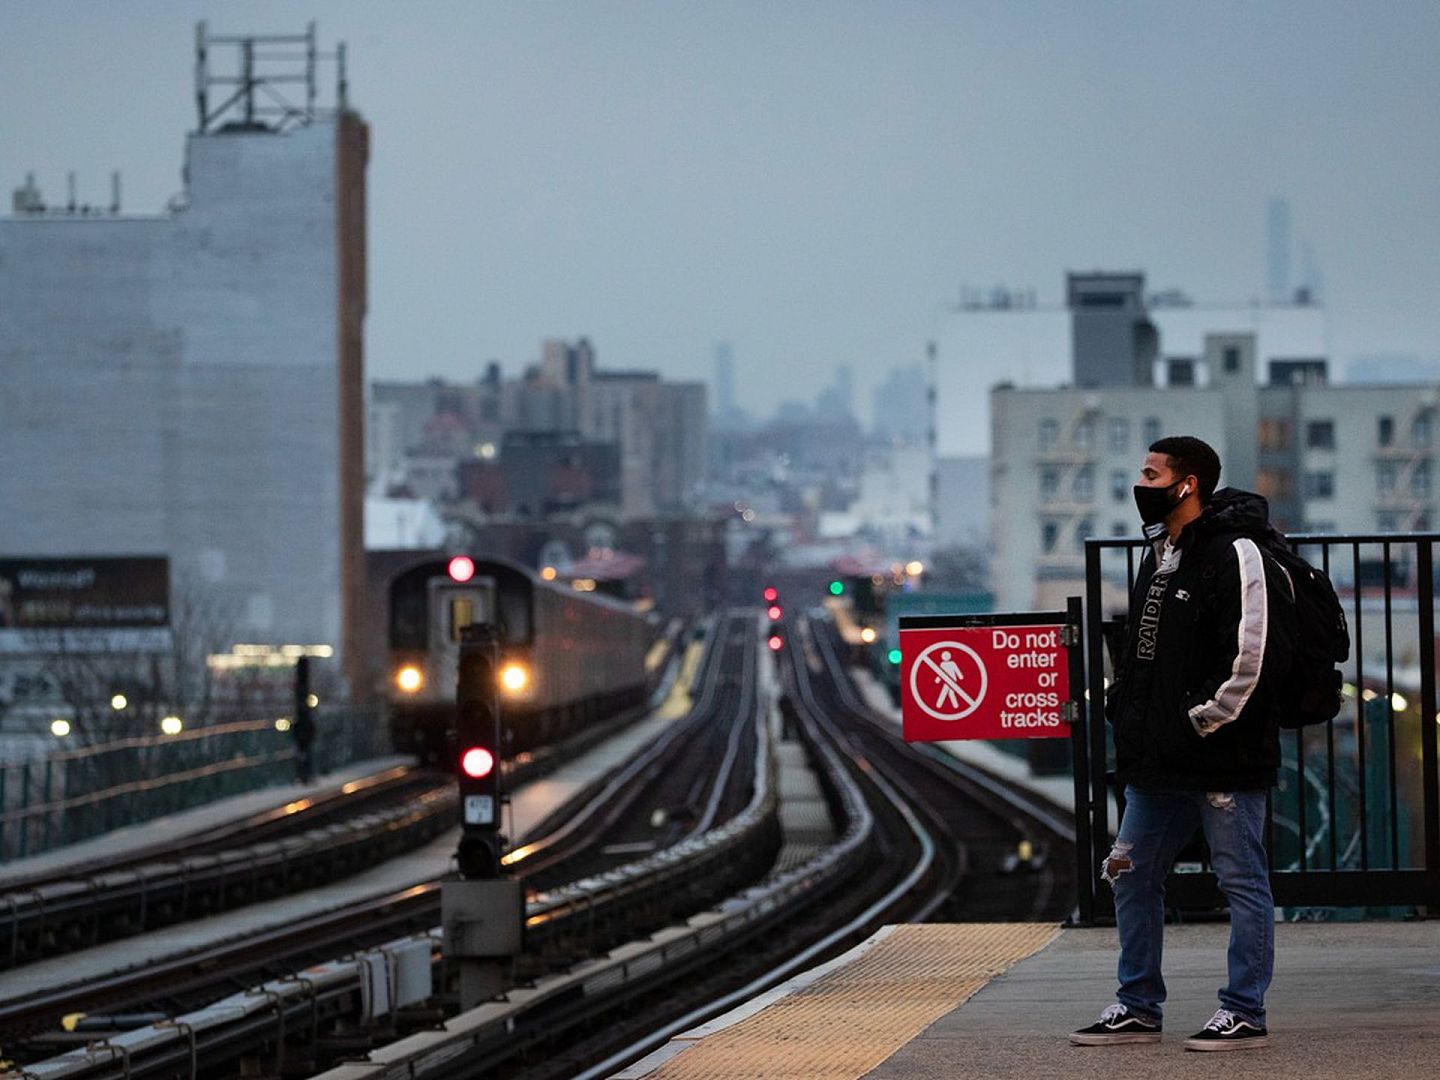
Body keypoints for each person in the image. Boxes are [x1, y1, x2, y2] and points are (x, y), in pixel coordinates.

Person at [1071, 435, 1294, 1052]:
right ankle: (1137, 1005)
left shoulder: (1236, 553)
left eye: (1150, 472)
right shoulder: (1161, 553)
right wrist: (1129, 712)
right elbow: (1144, 654)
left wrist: (1199, 721)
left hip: (1221, 755)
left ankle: (1244, 1010)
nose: (1141, 483)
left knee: (1240, 879)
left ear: (1187, 482)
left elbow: (1250, 657)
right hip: (1157, 760)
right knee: (1129, 873)